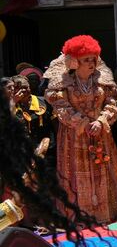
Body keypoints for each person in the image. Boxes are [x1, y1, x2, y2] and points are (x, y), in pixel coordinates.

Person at [0, 75, 100, 244]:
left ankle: (35, 221)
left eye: (14, 88)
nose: (14, 91)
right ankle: (12, 225)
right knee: (12, 191)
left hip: (29, 154)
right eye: (9, 88)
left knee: (34, 188)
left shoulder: (37, 102)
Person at [43, 35, 117, 223]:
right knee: (75, 175)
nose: (91, 63)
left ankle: (104, 213)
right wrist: (82, 123)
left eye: (93, 59)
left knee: (102, 168)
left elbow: (112, 104)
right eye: (86, 59)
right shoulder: (63, 83)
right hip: (74, 136)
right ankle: (79, 215)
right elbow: (61, 108)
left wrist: (101, 120)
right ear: (74, 62)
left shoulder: (102, 80)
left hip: (100, 132)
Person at [9, 75, 54, 167]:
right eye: (19, 88)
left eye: (26, 87)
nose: (23, 90)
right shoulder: (9, 105)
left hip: (47, 149)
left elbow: (55, 124)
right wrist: (13, 102)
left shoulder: (45, 102)